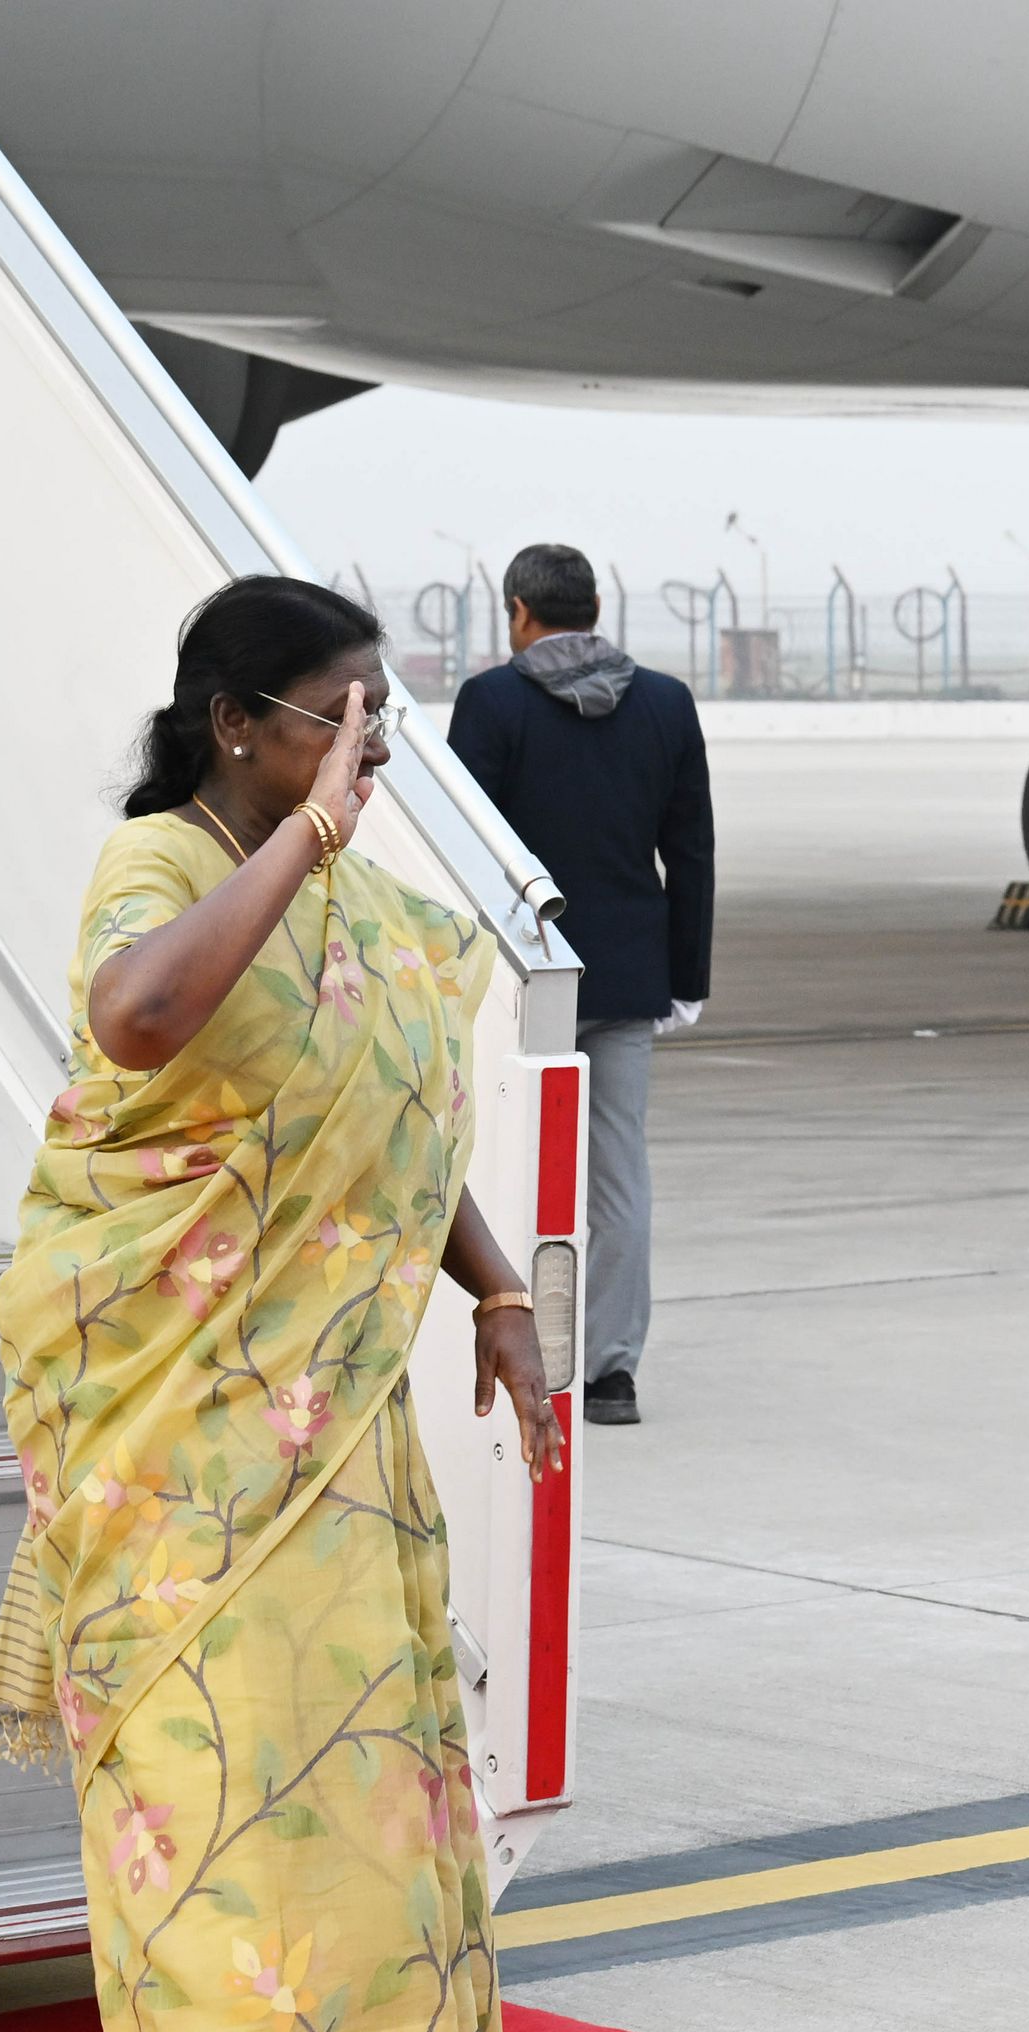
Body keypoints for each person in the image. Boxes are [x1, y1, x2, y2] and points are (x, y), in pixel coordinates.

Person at [0, 574, 562, 2032]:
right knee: (202, 1766)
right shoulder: (164, 866)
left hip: (326, 1415)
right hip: (174, 1427)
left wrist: (499, 1293)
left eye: (384, 712)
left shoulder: (350, 900)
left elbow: (378, 1120)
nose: (371, 744)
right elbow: (138, 1020)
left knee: (346, 1761)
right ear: (241, 724)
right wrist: (306, 841)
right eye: (342, 713)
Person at [448, 541, 715, 1427]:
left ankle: (506, 1343)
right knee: (619, 1180)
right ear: (596, 609)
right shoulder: (667, 703)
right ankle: (610, 1374)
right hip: (630, 977)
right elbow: (691, 851)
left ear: (519, 612)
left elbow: (468, 852)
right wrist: (686, 978)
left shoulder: (491, 703)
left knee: (502, 1161)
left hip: (526, 976)